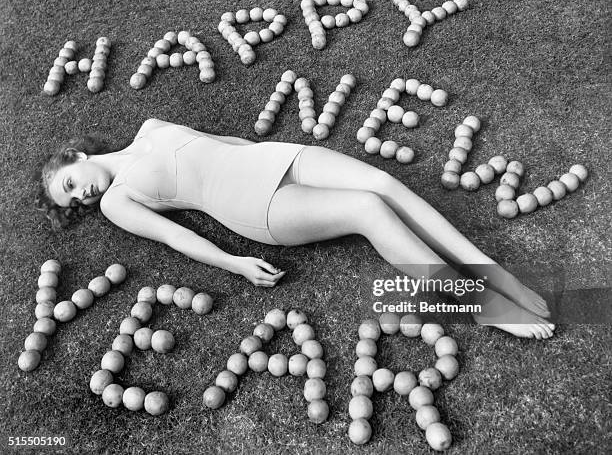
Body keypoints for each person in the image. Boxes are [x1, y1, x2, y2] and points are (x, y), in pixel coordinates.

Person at [37, 118, 555, 339]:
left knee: (383, 182)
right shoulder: (117, 201)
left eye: (70, 183)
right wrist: (232, 261)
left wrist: (264, 152)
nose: (81, 195)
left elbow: (221, 141)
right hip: (250, 203)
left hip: (270, 159)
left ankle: (498, 276)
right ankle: (484, 307)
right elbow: (174, 235)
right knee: (367, 211)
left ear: (75, 157)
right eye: (73, 201)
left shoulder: (148, 129)